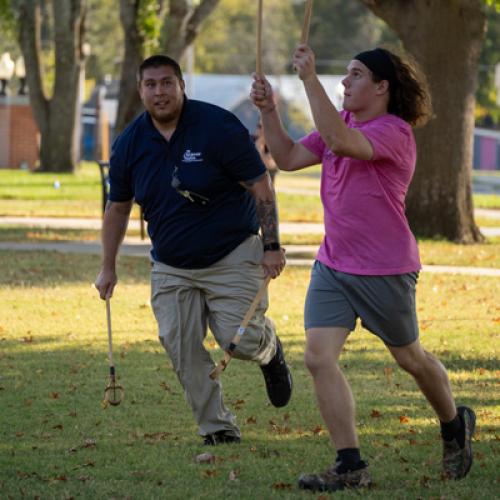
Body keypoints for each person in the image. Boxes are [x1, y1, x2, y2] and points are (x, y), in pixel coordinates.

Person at [251, 46, 475, 491]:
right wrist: (270, 111)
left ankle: (453, 425)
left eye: (355, 75)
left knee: (410, 358)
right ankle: (350, 465)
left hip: (384, 269)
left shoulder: (394, 131)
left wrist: (309, 80)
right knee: (317, 358)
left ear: (382, 86)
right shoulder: (344, 121)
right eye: (345, 75)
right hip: (333, 264)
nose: (345, 83)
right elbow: (291, 157)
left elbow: (339, 143)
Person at [95, 54, 292, 446]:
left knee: (242, 339)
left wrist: (271, 245)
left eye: (167, 83)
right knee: (181, 346)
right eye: (150, 85)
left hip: (232, 252)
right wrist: (107, 267)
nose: (159, 92)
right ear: (140, 91)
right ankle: (218, 428)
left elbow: (260, 187)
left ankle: (270, 351)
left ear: (182, 86)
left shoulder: (217, 126)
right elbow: (118, 208)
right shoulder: (130, 143)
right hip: (171, 263)